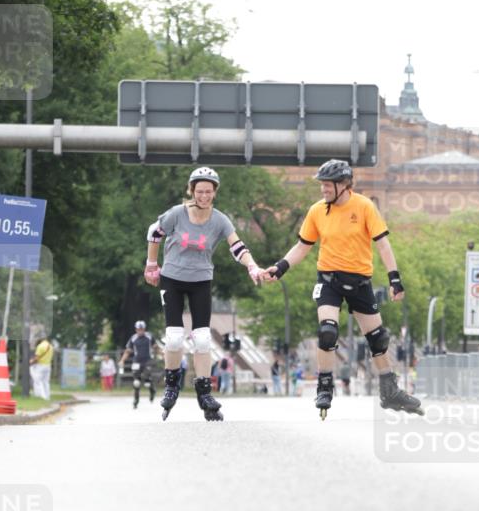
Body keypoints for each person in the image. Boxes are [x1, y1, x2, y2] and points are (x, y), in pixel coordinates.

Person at [261, 159, 423, 416]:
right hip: (329, 280)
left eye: (327, 185)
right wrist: (280, 268)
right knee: (328, 331)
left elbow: (382, 244)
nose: (323, 190)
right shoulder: (317, 210)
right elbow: (303, 246)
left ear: (345, 185)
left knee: (378, 338)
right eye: (322, 185)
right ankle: (325, 387)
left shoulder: (364, 206)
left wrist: (394, 278)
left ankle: (390, 392)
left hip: (361, 281)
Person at [144, 166, 262, 420]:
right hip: (172, 279)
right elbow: (154, 232)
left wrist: (251, 265)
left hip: (201, 281)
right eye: (199, 191)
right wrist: (152, 265)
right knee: (174, 337)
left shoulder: (220, 220)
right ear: (192, 191)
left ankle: (204, 392)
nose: (204, 196)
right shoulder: (177, 214)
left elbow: (237, 246)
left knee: (202, 339)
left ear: (214, 192)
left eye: (208, 192)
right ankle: (171, 385)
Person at [119, 321, 157, 408]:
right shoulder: (133, 338)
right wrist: (122, 360)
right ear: (136, 329)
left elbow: (155, 347)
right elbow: (127, 351)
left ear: (144, 329)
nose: (140, 331)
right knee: (136, 382)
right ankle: (136, 400)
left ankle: (152, 391)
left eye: (142, 329)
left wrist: (162, 354)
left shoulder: (149, 337)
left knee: (147, 382)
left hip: (147, 361)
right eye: (138, 329)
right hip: (136, 361)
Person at [30, 333, 53, 401]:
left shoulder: (40, 346)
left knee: (37, 381)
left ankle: (41, 396)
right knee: (46, 382)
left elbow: (37, 358)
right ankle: (47, 396)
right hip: (48, 366)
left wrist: (31, 361)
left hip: (40, 366)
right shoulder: (50, 346)